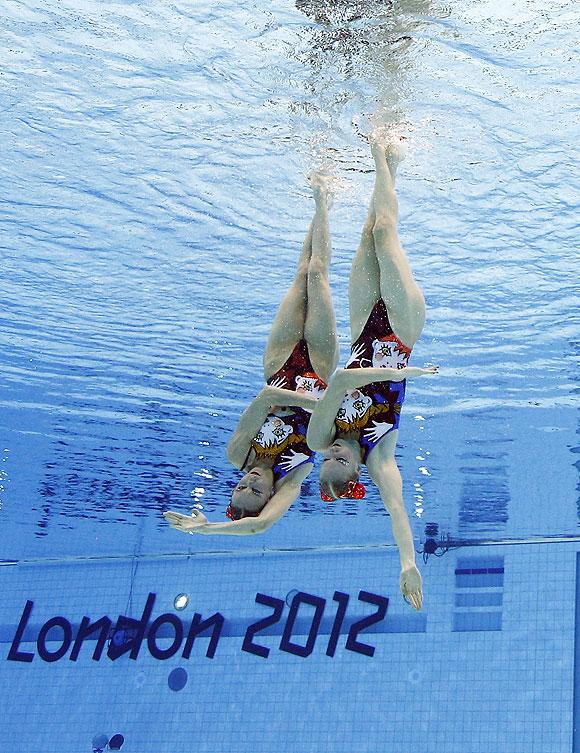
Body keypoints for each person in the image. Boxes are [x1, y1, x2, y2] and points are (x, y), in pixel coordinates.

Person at [164, 174, 339, 536]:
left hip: (279, 365)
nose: (249, 481)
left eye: (240, 486)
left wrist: (315, 406)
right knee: (318, 275)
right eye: (256, 490)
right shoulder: (295, 473)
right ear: (271, 493)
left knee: (302, 273)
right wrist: (209, 531)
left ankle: (321, 201)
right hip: (319, 370)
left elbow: (267, 397)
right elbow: (260, 526)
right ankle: (323, 198)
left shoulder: (238, 454)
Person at [306, 132, 437, 611]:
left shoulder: (321, 435)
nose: (335, 453)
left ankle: (393, 164)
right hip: (401, 333)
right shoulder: (380, 459)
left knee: (367, 233)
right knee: (385, 235)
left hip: (364, 327)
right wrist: (407, 563)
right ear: (359, 470)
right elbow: (397, 509)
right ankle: (381, 149)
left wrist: (411, 379)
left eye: (329, 461)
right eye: (343, 462)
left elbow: (340, 378)